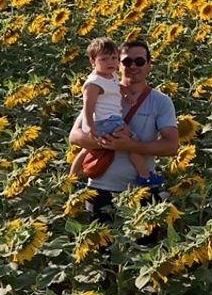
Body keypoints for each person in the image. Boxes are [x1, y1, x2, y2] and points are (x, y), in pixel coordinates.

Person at [68, 40, 179, 224]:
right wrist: (108, 141)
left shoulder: (160, 101)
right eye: (127, 62)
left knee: (144, 248)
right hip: (99, 189)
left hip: (140, 193)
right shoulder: (102, 92)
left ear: (149, 65)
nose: (133, 66)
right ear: (118, 64)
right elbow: (75, 136)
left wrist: (131, 145)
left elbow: (171, 146)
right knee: (103, 250)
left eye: (140, 61)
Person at [70, 37, 158, 186]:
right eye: (104, 59)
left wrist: (126, 94)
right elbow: (88, 106)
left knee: (86, 149)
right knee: (131, 142)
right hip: (106, 121)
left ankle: (72, 178)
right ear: (92, 61)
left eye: (113, 58)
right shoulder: (93, 83)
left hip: (106, 120)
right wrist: (90, 126)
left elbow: (117, 86)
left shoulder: (110, 76)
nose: (110, 62)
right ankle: (145, 175)